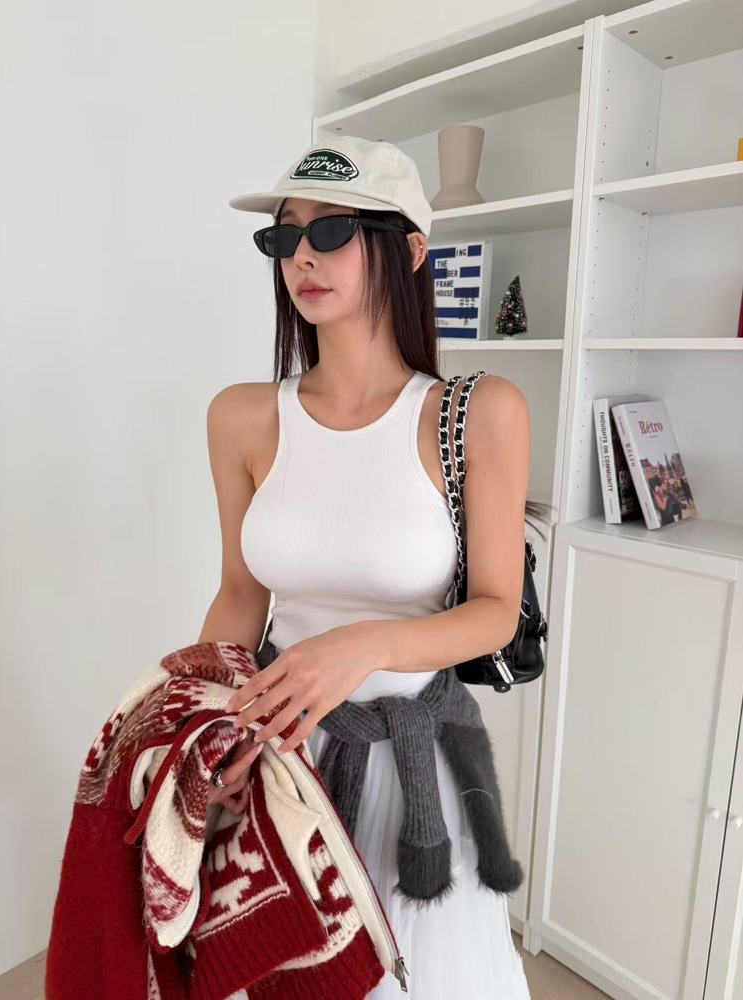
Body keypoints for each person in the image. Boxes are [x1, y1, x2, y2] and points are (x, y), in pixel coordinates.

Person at [197, 135, 533, 998]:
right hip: (281, 749)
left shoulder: (478, 413)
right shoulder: (241, 416)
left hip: (411, 765)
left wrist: (364, 646)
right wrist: (213, 725)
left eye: (331, 230)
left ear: (410, 250)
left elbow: (496, 609)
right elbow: (240, 592)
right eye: (284, 236)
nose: (301, 256)